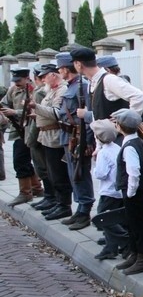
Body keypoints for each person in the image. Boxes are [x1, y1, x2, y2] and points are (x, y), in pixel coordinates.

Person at [54, 51, 95, 229]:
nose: (59, 72)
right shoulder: (71, 86)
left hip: (78, 138)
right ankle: (80, 209)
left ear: (65, 68)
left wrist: (87, 141)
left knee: (81, 174)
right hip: (68, 136)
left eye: (60, 68)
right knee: (73, 175)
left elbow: (88, 115)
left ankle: (85, 211)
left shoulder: (82, 86)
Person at [110, 108, 143, 275]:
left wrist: (130, 192)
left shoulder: (129, 146)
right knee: (132, 223)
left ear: (120, 126)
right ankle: (135, 254)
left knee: (137, 224)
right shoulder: (136, 142)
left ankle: (142, 259)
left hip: (133, 191)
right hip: (134, 190)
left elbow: (133, 171)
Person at [30, 64, 72, 221]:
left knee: (59, 173)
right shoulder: (51, 90)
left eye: (45, 76)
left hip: (55, 136)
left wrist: (36, 107)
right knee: (52, 172)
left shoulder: (62, 90)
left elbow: (56, 114)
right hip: (47, 136)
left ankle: (64, 205)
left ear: (54, 75)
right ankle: (57, 201)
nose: (42, 79)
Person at [1, 66, 42, 206]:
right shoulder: (13, 90)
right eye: (15, 80)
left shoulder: (34, 90)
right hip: (18, 130)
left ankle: (26, 193)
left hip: (32, 130)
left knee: (21, 160)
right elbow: (4, 103)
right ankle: (35, 188)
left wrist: (15, 112)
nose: (16, 83)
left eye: (19, 80)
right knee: (22, 160)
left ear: (26, 78)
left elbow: (36, 109)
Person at [73, 47, 143, 124]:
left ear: (78, 64)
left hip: (117, 135)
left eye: (74, 63)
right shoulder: (94, 81)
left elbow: (138, 96)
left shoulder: (108, 80)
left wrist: (127, 123)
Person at [89, 118, 126, 261]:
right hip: (117, 191)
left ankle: (124, 241)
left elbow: (101, 173)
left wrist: (95, 166)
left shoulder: (103, 153)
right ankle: (111, 247)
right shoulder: (117, 148)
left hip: (109, 191)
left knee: (103, 218)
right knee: (115, 217)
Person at [28, 65, 56, 212]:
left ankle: (52, 198)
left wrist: (31, 139)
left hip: (43, 134)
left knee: (45, 169)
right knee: (44, 168)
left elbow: (40, 116)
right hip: (43, 134)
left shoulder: (40, 92)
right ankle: (50, 197)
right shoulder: (44, 90)